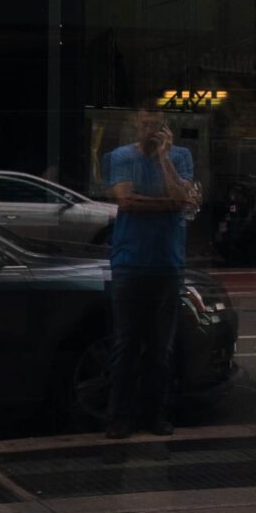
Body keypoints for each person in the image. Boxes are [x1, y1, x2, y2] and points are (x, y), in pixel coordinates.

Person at [100, 107, 199, 439]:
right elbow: (125, 201)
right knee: (125, 343)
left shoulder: (180, 156)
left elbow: (181, 196)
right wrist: (168, 204)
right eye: (145, 124)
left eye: (156, 126)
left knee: (161, 346)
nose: (150, 131)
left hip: (167, 263)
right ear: (135, 125)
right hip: (129, 261)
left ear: (165, 128)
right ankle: (119, 416)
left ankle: (155, 414)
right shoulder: (121, 156)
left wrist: (164, 158)